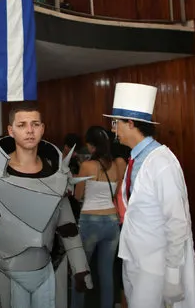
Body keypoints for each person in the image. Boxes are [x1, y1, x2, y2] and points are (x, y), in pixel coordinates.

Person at [0, 101, 92, 308]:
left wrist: (81, 268)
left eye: (35, 124)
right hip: (5, 273)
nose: (29, 131)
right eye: (22, 125)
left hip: (46, 271)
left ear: (42, 129)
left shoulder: (57, 176)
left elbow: (68, 229)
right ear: (11, 130)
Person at [105, 83, 195, 308]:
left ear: (130, 123)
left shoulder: (162, 162)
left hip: (156, 265)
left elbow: (177, 221)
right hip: (136, 259)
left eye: (116, 123)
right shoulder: (135, 160)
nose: (113, 129)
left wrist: (173, 275)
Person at [71, 126, 127, 308]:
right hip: (112, 221)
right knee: (106, 272)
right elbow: (116, 193)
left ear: (91, 146)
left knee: (81, 271)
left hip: (90, 221)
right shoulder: (116, 166)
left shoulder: (87, 166)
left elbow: (78, 196)